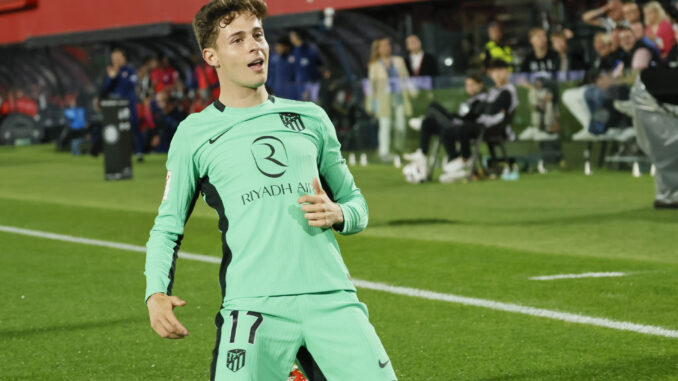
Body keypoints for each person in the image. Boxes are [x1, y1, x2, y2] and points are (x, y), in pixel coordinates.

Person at [144, 1, 396, 381]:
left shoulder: (311, 118)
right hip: (253, 307)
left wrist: (339, 213)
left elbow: (356, 204)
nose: (255, 46)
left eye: (258, 35)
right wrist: (155, 293)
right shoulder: (194, 134)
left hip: (331, 299)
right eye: (238, 39)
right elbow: (167, 227)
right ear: (211, 56)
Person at [439, 60, 518, 183]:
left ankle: (467, 160)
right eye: (494, 71)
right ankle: (454, 160)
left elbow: (492, 110)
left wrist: (484, 108)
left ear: (507, 72)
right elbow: (484, 109)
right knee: (448, 130)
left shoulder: (508, 91)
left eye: (501, 70)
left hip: (495, 127)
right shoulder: (493, 91)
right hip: (483, 124)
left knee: (463, 128)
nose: (497, 74)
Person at [403, 71, 487, 180]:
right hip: (456, 125)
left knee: (433, 106)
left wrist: (455, 117)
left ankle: (421, 123)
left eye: (472, 85)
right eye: (467, 85)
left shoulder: (483, 99)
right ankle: (423, 153)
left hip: (463, 128)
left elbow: (471, 117)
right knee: (428, 123)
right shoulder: (470, 100)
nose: (469, 88)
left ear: (480, 85)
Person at [367, 38, 415, 164]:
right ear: (378, 49)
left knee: (401, 125)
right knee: (385, 125)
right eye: (384, 46)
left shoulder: (398, 61)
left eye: (388, 45)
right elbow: (372, 87)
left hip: (399, 97)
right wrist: (371, 104)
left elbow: (406, 78)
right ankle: (384, 153)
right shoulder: (374, 65)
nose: (388, 47)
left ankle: (399, 150)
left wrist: (413, 92)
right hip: (383, 100)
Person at [101, 48, 143, 162]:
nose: (116, 60)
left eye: (118, 57)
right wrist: (111, 78)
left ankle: (139, 153)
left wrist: (118, 75)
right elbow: (106, 89)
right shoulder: (111, 71)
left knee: (133, 127)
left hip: (129, 103)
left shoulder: (130, 70)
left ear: (123, 58)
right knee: (117, 129)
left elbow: (131, 84)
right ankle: (121, 155)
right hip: (115, 105)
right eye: (114, 58)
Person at [289, 29, 322, 101]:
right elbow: (296, 70)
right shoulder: (295, 51)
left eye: (292, 36)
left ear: (298, 36)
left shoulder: (310, 49)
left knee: (314, 103)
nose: (291, 39)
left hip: (311, 83)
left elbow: (317, 64)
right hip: (301, 84)